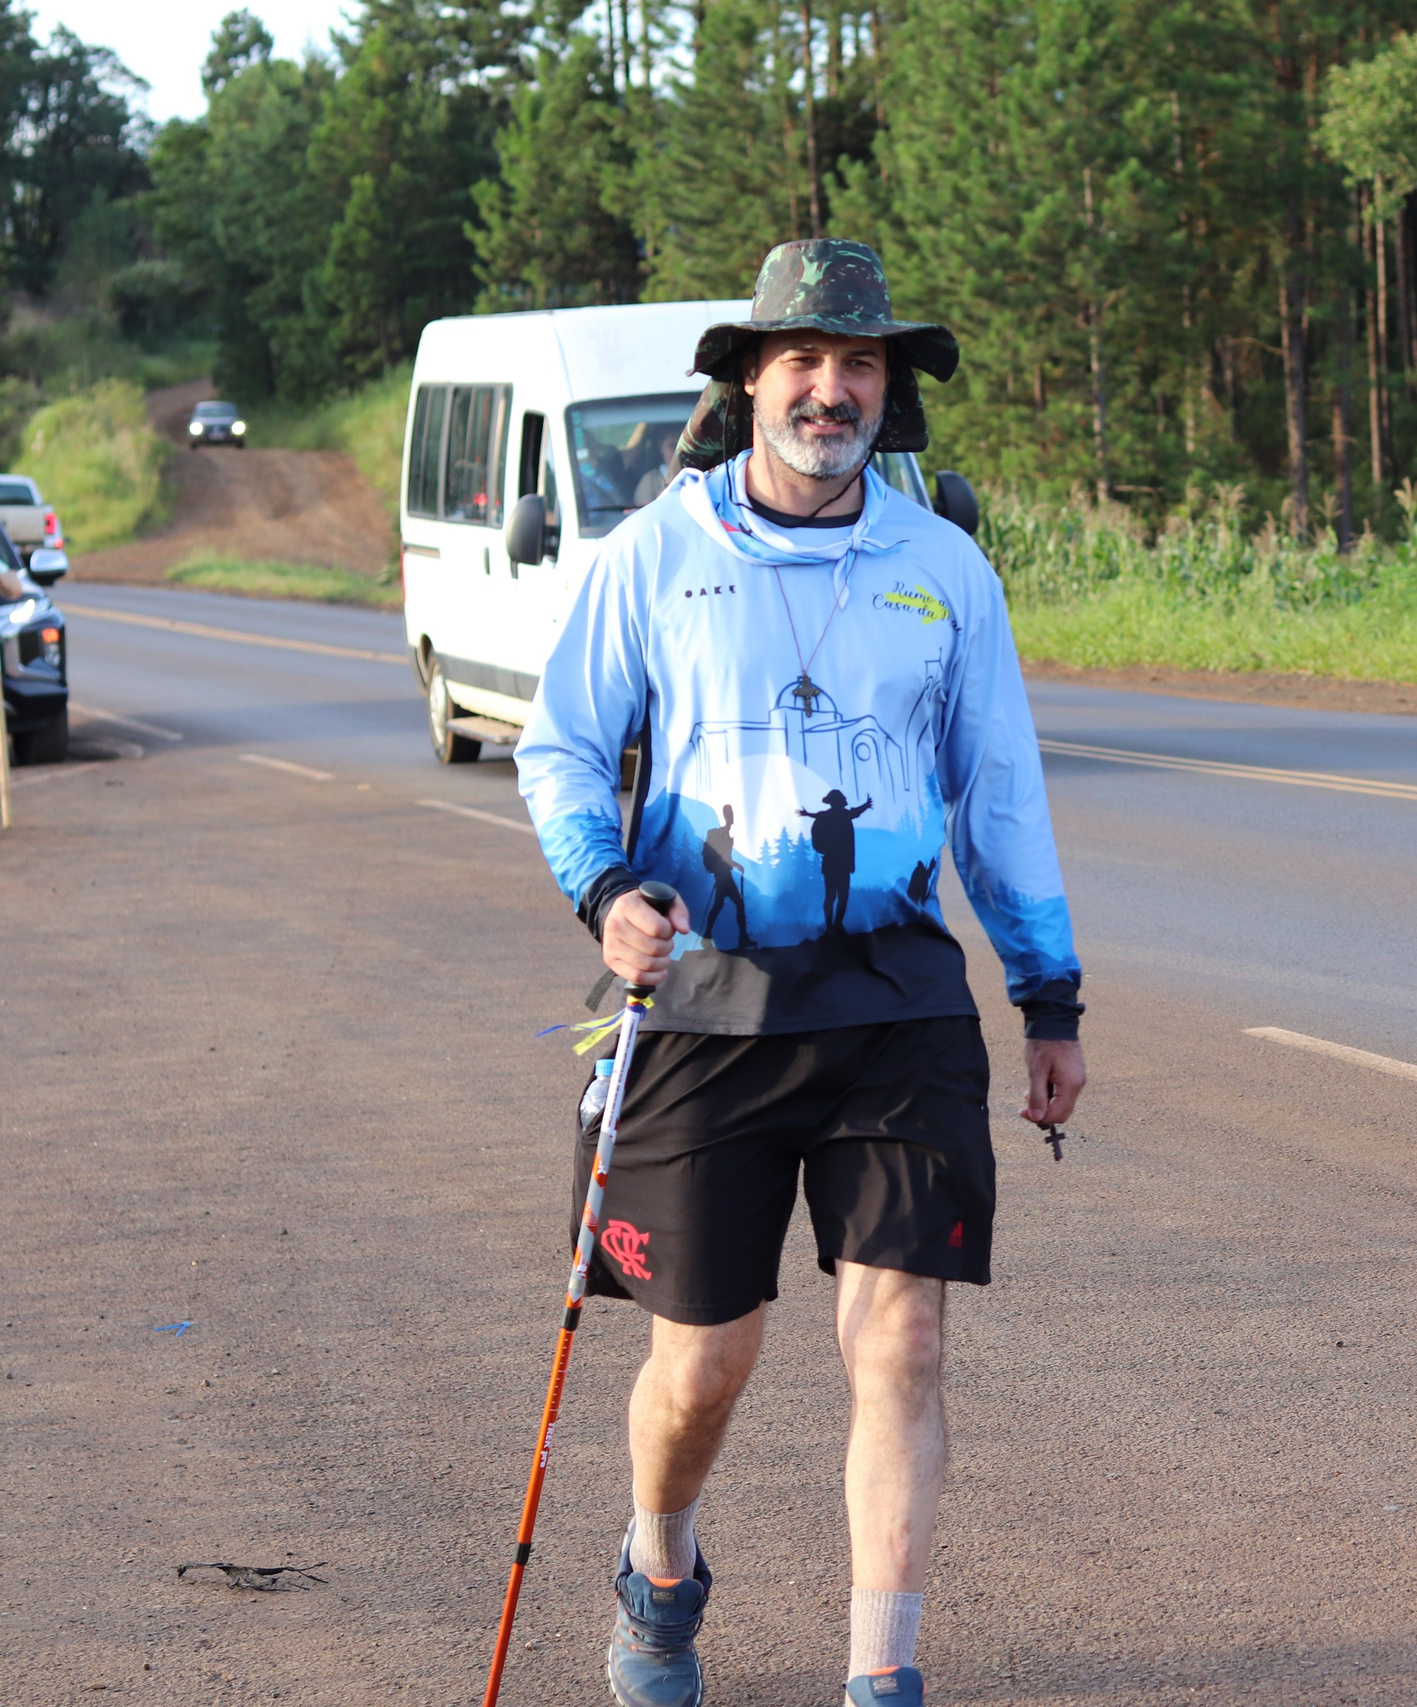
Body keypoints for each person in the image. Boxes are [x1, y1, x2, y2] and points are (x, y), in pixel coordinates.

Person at [515, 238, 1087, 1707]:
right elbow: (562, 745)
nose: (831, 388)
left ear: (888, 394)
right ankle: (658, 1561)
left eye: (859, 365)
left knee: (898, 1330)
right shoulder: (656, 554)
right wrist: (603, 888)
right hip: (705, 1001)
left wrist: (1048, 989)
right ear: (752, 383)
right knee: (704, 1363)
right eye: (804, 363)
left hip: (895, 998)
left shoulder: (944, 569)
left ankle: (880, 1674)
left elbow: (998, 793)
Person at [799, 788, 874, 935]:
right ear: (838, 802)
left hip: (836, 863)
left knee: (835, 896)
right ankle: (833, 925)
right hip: (837, 863)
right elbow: (854, 812)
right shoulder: (839, 816)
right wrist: (866, 805)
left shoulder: (829, 817)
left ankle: (835, 925)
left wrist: (865, 805)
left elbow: (854, 812)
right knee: (837, 896)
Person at [699, 803, 753, 950]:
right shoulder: (721, 834)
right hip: (722, 875)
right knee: (736, 905)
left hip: (724, 875)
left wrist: (734, 865)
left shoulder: (727, 834)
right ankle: (742, 939)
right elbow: (722, 857)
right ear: (726, 816)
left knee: (719, 905)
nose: (731, 817)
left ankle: (707, 937)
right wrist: (737, 865)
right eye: (729, 814)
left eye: (731, 814)